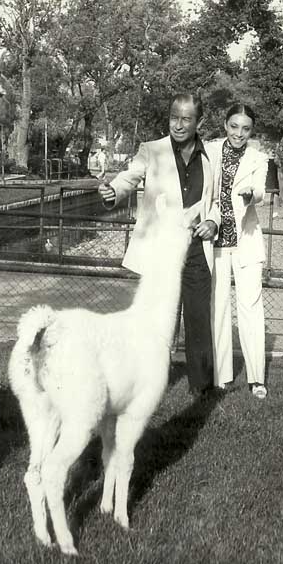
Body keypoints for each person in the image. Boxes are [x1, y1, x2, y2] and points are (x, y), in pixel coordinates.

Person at [99, 93, 221, 399]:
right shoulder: (151, 150)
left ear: (199, 122)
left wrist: (213, 222)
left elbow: (216, 201)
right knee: (155, 319)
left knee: (198, 319)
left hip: (194, 248)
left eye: (186, 119)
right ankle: (149, 380)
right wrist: (113, 191)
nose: (178, 125)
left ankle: (201, 389)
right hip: (160, 249)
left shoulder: (210, 156)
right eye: (173, 118)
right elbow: (130, 175)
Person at [204, 104, 269, 399]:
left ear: (251, 131)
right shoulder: (211, 150)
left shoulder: (258, 158)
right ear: (225, 125)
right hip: (215, 243)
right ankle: (221, 376)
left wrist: (250, 195)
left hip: (246, 242)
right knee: (217, 309)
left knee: (251, 309)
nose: (239, 134)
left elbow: (260, 192)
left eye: (245, 129)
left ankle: (257, 379)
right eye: (234, 126)